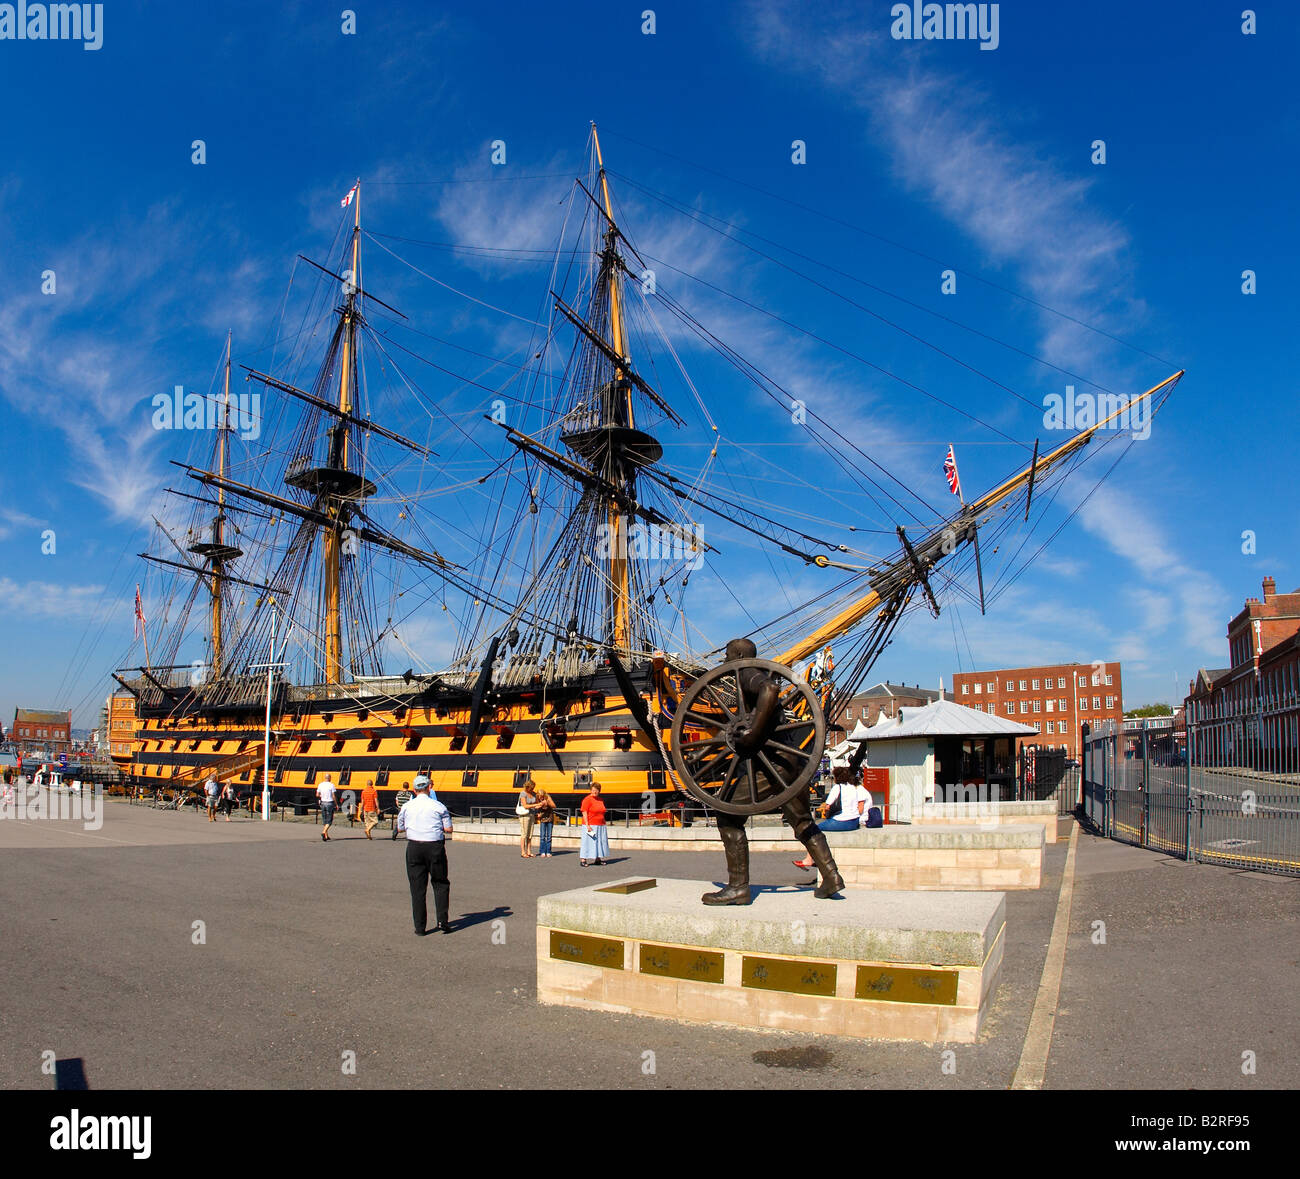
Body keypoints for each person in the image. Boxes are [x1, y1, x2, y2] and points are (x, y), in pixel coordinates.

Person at [397, 778, 453, 935]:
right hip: (435, 847)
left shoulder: (407, 807)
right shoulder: (438, 806)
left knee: (417, 888)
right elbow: (448, 828)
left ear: (414, 790)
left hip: (414, 847)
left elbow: (400, 828)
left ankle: (420, 927)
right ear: (430, 787)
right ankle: (442, 921)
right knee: (440, 883)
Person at [794, 771, 869, 870]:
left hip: (842, 821)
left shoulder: (837, 788)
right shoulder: (853, 788)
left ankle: (809, 859)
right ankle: (812, 858)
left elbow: (827, 805)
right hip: (854, 822)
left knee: (813, 830)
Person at [579, 782, 608, 867]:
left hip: (600, 825)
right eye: (593, 790)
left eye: (597, 790)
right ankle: (583, 860)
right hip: (590, 825)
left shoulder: (600, 800)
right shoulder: (587, 799)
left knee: (599, 842)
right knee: (587, 842)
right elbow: (584, 812)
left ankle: (598, 859)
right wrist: (587, 825)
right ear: (591, 790)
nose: (595, 792)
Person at [518, 776, 544, 858]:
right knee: (524, 834)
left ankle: (529, 851)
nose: (533, 789)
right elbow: (525, 805)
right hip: (524, 815)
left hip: (532, 815)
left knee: (530, 834)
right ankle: (523, 852)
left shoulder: (533, 794)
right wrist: (536, 804)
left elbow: (535, 805)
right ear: (528, 787)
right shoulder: (523, 793)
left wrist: (540, 805)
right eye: (532, 788)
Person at [534, 782, 556, 858]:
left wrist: (547, 803)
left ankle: (548, 851)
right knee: (542, 836)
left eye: (542, 797)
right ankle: (542, 851)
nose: (541, 798)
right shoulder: (537, 799)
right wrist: (539, 807)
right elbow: (536, 807)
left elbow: (554, 806)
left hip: (549, 818)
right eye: (539, 797)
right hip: (542, 819)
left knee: (549, 836)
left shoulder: (547, 797)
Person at [317, 775, 337, 842]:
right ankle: (323, 832)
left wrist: (322, 795)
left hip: (323, 803)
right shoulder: (331, 785)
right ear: (330, 778)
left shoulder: (320, 785)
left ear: (325, 778)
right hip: (329, 803)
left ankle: (326, 836)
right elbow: (333, 796)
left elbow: (317, 794)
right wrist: (336, 804)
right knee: (329, 820)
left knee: (325, 819)